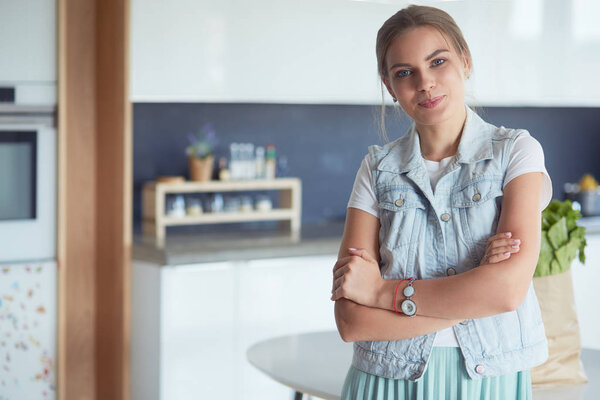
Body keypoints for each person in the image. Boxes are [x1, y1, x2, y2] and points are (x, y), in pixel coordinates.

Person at [330, 5, 552, 400]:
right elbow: (351, 320)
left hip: (486, 379)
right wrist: (477, 287)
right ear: (389, 85)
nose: (425, 82)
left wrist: (382, 294)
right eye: (404, 72)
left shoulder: (517, 152)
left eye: (438, 61)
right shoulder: (376, 168)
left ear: (465, 61)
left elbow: (506, 293)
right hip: (384, 380)